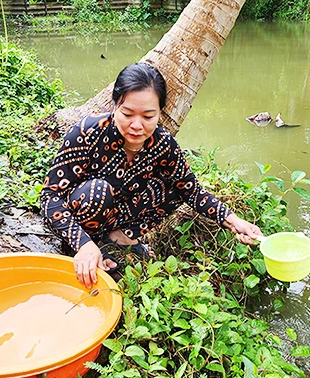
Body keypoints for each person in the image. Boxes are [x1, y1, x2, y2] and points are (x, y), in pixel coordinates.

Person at [41, 63, 262, 288]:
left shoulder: (163, 144)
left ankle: (119, 238)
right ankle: (87, 247)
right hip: (82, 214)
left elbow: (192, 191)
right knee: (97, 191)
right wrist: (83, 244)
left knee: (177, 186)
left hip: (120, 214)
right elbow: (50, 197)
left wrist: (235, 222)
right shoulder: (87, 132)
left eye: (148, 116)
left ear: (160, 113)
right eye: (127, 114)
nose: (137, 126)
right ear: (115, 105)